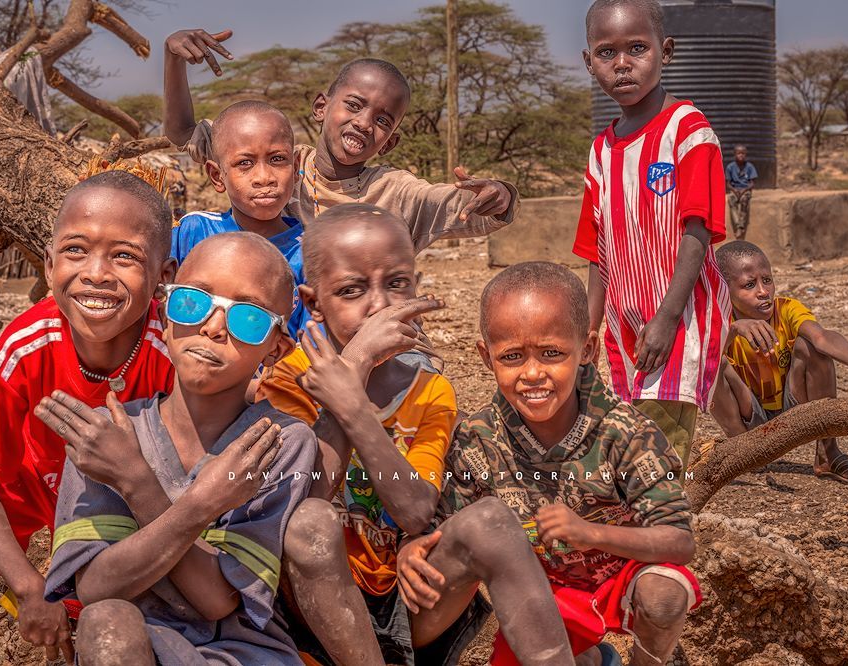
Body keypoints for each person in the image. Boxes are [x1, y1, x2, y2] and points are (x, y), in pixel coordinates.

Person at [261, 204, 574, 666]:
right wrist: (353, 371)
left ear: (416, 286)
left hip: (410, 597)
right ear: (313, 303)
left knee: (490, 522)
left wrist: (352, 402)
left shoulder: (430, 389)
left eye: (397, 283)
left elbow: (414, 510)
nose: (381, 305)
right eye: (351, 290)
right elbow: (302, 498)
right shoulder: (289, 382)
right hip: (318, 609)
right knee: (311, 524)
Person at [39, 233, 317, 664]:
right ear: (165, 316)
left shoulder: (277, 443)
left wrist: (136, 482)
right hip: (134, 648)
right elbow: (96, 589)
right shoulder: (111, 437)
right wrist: (199, 502)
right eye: (193, 302)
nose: (213, 327)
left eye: (249, 319)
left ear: (275, 350)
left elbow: (217, 601)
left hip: (244, 654)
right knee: (106, 620)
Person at [0, 171, 177, 662]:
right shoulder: (26, 345)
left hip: (140, 497)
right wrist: (30, 587)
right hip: (39, 483)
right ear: (48, 266)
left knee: (117, 613)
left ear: (163, 276)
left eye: (125, 256)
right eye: (76, 250)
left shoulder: (175, 354)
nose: (96, 272)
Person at [428, 262, 700, 666]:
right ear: (487, 357)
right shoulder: (477, 439)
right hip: (535, 595)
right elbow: (449, 531)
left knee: (664, 593)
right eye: (512, 356)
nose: (533, 373)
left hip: (618, 580)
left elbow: (680, 542)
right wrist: (414, 547)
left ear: (587, 349)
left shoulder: (625, 432)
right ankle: (589, 657)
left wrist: (592, 533)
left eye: (552, 353)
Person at [162, 28, 519, 254]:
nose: (364, 123)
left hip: (381, 340)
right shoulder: (279, 162)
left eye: (382, 120)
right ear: (321, 106)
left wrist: (500, 194)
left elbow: (460, 204)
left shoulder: (396, 193)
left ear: (389, 143)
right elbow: (183, 133)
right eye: (353, 105)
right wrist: (173, 59)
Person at [574, 0, 730, 470]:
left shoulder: (688, 130)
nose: (622, 64)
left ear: (667, 51)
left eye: (637, 48)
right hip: (625, 326)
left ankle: (661, 534)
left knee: (658, 451)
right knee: (628, 441)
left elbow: (697, 231)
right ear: (589, 63)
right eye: (606, 53)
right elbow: (597, 252)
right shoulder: (602, 151)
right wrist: (589, 327)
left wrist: (666, 317)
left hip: (679, 320)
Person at [711, 240, 848, 486]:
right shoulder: (716, 321)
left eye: (767, 280)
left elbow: (822, 337)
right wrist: (734, 329)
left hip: (792, 412)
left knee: (810, 346)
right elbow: (699, 363)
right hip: (748, 419)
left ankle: (828, 453)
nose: (763, 291)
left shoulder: (786, 310)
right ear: (723, 289)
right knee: (712, 364)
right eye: (749, 285)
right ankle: (741, 454)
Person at [169, 100, 309, 337]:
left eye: (277, 159)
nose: (264, 177)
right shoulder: (193, 231)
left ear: (295, 167)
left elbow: (308, 343)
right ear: (217, 176)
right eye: (245, 163)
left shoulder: (308, 251)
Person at [725, 145, 757, 239]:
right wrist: (734, 190)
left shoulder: (749, 166)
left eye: (743, 153)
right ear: (735, 154)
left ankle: (740, 226)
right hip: (735, 190)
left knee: (744, 200)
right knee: (731, 200)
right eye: (739, 153)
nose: (741, 155)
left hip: (745, 190)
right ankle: (738, 224)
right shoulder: (730, 167)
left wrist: (744, 190)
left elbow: (752, 183)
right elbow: (728, 183)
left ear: (745, 154)